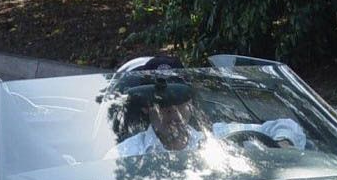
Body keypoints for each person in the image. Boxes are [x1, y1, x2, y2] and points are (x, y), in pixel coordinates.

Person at [103, 55, 306, 160]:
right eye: (162, 102)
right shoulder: (124, 155)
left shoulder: (218, 137)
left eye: (179, 99)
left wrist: (282, 147)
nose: (173, 111)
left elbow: (287, 126)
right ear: (147, 106)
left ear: (190, 102)